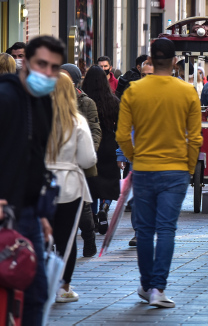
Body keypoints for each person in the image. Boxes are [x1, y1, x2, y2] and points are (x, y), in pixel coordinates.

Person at [116, 38, 202, 308]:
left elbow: (121, 135)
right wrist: (188, 168)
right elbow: (195, 138)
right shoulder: (187, 91)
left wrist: (134, 157)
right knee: (166, 229)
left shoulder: (133, 91)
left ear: (149, 61)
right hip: (175, 169)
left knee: (144, 229)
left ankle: (145, 284)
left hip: (143, 167)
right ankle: (157, 288)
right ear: (175, 61)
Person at [0, 36, 65, 325]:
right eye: (41, 64)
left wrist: (41, 215)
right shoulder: (6, 97)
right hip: (4, 210)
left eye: (54, 67)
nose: (47, 73)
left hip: (27, 213)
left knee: (36, 292)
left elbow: (35, 159)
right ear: (25, 61)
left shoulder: (43, 103)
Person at [47, 73, 97, 303]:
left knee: (42, 236)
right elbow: (88, 160)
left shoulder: (37, 120)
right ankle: (63, 287)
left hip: (41, 185)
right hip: (69, 186)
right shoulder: (77, 122)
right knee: (67, 239)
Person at [61, 63, 102, 257]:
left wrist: (88, 153)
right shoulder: (47, 102)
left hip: (76, 161)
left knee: (82, 205)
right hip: (54, 164)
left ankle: (88, 235)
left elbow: (94, 130)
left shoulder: (86, 103)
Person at [82, 66, 122, 237]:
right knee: (109, 181)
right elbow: (121, 128)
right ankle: (104, 207)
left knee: (91, 183)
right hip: (108, 146)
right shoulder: (113, 101)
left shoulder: (83, 101)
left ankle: (91, 217)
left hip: (88, 145)